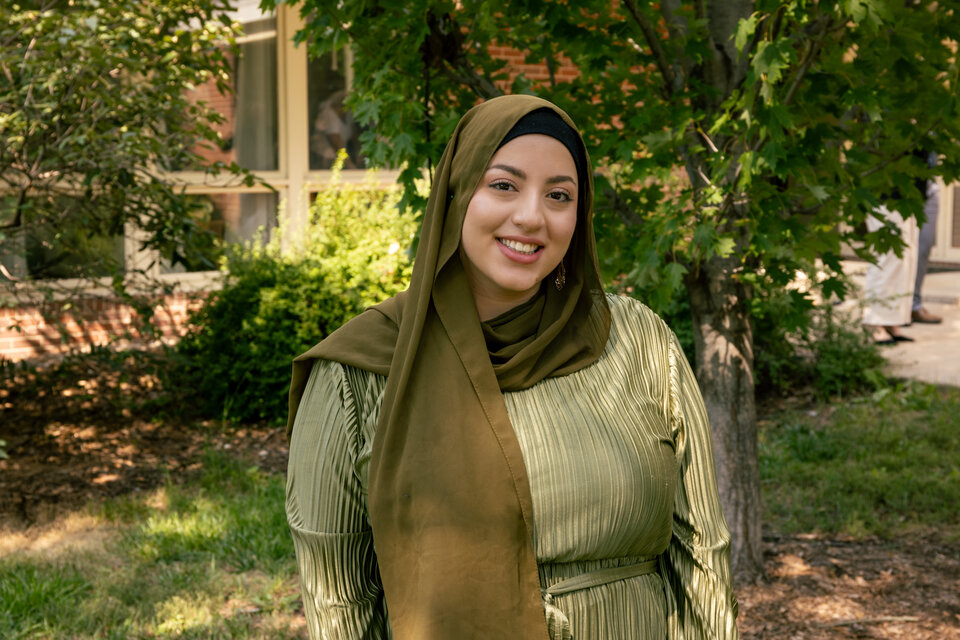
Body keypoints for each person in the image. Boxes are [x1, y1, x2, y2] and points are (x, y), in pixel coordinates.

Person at [285, 95, 739, 639]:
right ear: (458, 193)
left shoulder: (638, 341)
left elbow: (702, 556)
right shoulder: (357, 373)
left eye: (559, 195)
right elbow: (337, 601)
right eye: (503, 185)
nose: (531, 215)